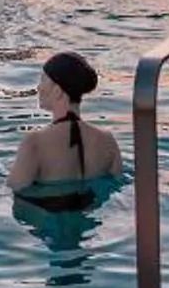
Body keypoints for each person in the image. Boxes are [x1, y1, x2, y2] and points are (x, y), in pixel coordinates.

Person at [7, 51, 123, 211]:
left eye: (43, 80)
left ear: (58, 90)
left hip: (46, 219)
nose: (38, 88)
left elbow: (14, 191)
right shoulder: (108, 141)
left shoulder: (35, 142)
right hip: (92, 219)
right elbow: (118, 184)